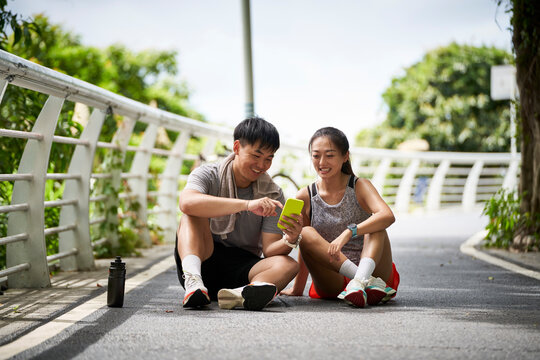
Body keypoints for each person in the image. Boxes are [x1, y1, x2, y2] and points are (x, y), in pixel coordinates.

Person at [175, 117, 302, 311]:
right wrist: (247, 205)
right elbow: (186, 203)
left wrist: (290, 239)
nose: (262, 165)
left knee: (288, 264)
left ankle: (241, 294)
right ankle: (194, 283)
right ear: (237, 147)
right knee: (192, 212)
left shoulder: (273, 193)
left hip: (243, 265)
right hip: (203, 258)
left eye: (269, 158)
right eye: (256, 155)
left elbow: (269, 250)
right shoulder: (208, 174)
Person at [281, 127, 399, 308]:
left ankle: (360, 281)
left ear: (345, 156)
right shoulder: (305, 196)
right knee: (305, 233)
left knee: (376, 224)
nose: (322, 162)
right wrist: (298, 287)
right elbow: (306, 249)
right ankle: (361, 281)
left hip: (375, 271)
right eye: (316, 155)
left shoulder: (360, 186)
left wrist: (349, 232)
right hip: (333, 278)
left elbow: (387, 215)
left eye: (329, 155)